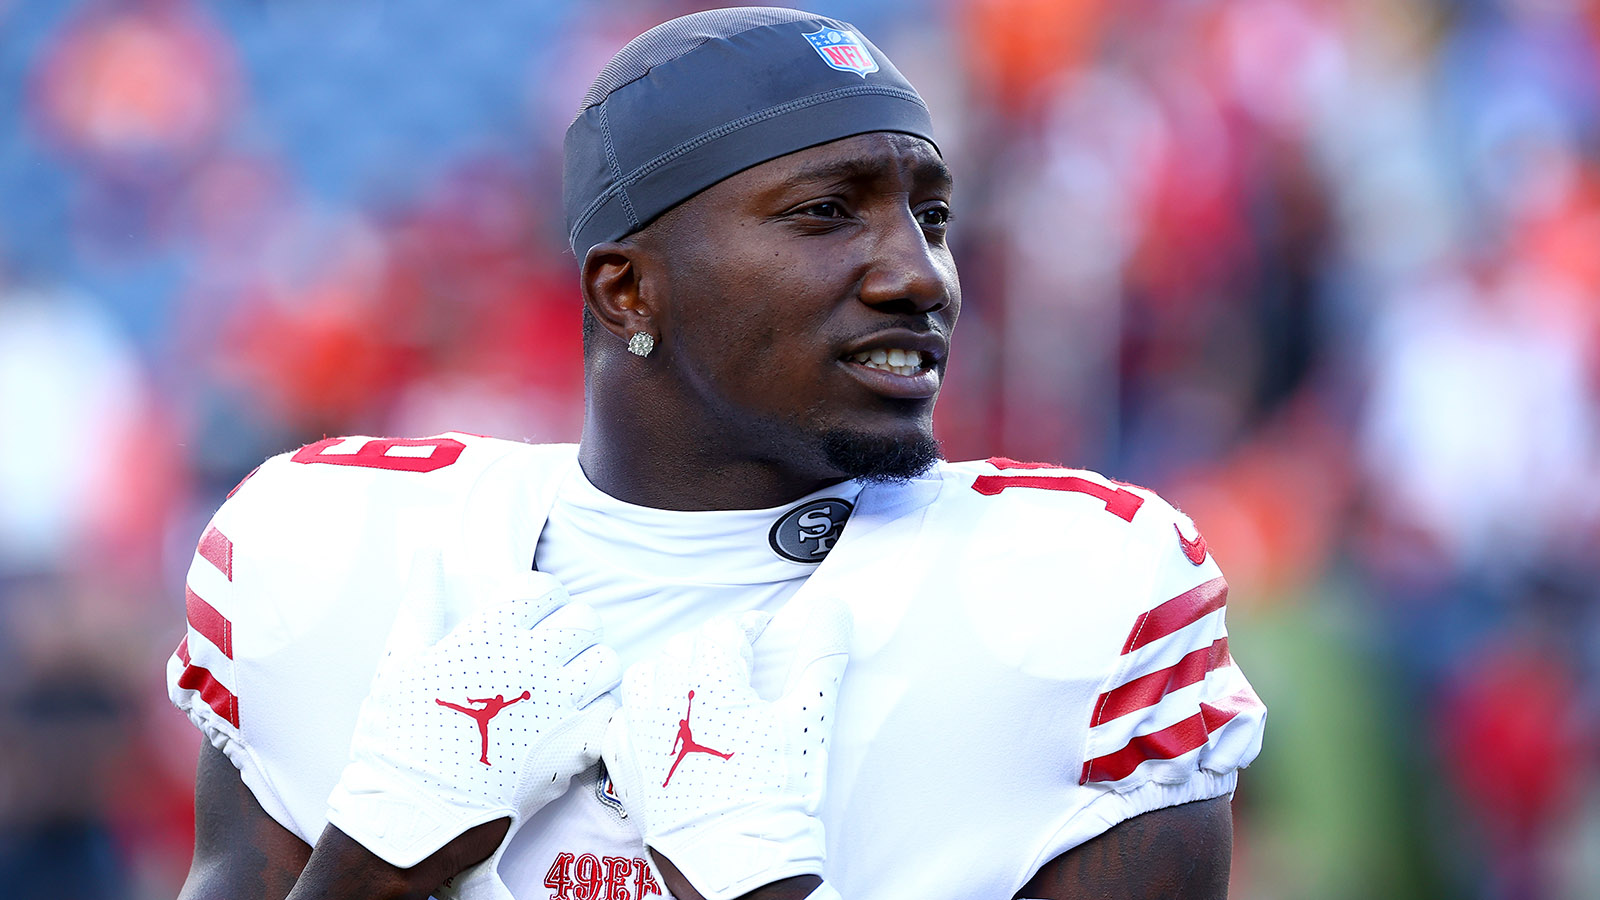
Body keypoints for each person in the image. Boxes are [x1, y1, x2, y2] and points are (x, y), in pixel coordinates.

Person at [168, 8, 1265, 900]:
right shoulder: (322, 548)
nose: (919, 275)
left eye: (930, 216)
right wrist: (366, 871)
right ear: (627, 288)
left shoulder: (1082, 592)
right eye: (829, 212)